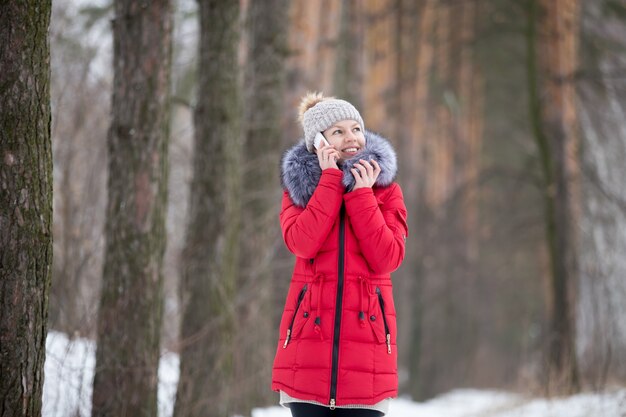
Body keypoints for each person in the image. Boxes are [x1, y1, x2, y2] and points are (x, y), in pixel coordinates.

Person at [272, 92, 409, 417]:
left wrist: (362, 195)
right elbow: (302, 243)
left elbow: (387, 258)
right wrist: (331, 180)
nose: (352, 138)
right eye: (338, 131)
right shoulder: (298, 189)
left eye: (356, 129)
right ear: (318, 141)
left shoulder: (386, 190)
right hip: (307, 352)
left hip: (369, 356)